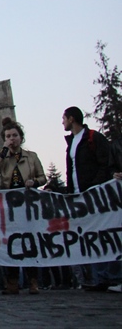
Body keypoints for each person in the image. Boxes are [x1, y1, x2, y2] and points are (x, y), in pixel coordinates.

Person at [0, 117, 46, 295]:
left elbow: (43, 177)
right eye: (8, 136)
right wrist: (3, 151)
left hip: (28, 203)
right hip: (9, 204)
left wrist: (34, 182)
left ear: (21, 137)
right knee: (11, 242)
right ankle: (12, 281)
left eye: (14, 135)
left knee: (29, 240)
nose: (12, 139)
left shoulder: (31, 157)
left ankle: (33, 280)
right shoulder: (3, 157)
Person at [62, 106, 113, 291]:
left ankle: (108, 277)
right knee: (89, 236)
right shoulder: (71, 142)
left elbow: (105, 163)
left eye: (64, 118)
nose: (62, 122)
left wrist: (95, 186)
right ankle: (97, 277)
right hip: (79, 196)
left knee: (102, 234)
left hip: (94, 194)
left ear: (72, 119)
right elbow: (71, 170)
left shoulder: (93, 138)